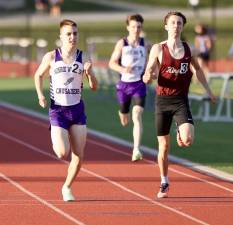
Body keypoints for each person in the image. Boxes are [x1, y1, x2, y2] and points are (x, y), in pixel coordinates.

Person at [143, 12, 216, 198]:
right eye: (172, 23)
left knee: (188, 139)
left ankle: (179, 127)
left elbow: (198, 70)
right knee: (164, 147)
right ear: (166, 26)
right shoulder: (159, 49)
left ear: (182, 27)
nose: (176, 26)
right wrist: (148, 75)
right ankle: (164, 181)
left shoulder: (188, 48)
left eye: (179, 23)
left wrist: (208, 90)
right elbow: (150, 67)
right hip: (162, 102)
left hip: (181, 101)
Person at [34, 19, 98, 201]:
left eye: (75, 33)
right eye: (68, 34)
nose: (72, 37)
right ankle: (55, 132)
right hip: (58, 110)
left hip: (77, 110)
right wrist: (40, 95)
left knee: (79, 155)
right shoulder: (51, 57)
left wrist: (90, 73)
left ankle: (67, 187)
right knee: (63, 153)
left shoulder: (84, 58)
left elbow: (94, 87)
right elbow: (38, 75)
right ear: (61, 36)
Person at [109, 14, 149, 162]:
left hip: (139, 84)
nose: (136, 29)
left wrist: (150, 72)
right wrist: (123, 69)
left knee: (137, 114)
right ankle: (122, 112)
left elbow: (152, 62)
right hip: (124, 85)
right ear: (128, 27)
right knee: (125, 117)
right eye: (133, 26)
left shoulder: (146, 43)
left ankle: (136, 149)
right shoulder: (122, 43)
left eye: (138, 27)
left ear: (141, 28)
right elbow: (111, 63)